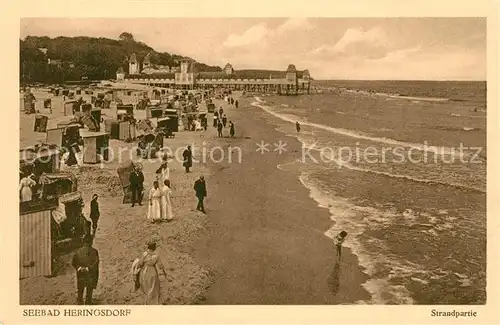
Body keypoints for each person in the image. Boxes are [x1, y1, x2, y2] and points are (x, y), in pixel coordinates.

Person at [71, 235, 99, 305]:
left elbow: (73, 262)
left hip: (80, 274)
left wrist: (79, 268)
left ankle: (80, 302)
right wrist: (88, 268)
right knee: (89, 291)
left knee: (80, 289)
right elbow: (96, 263)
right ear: (91, 242)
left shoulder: (78, 251)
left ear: (83, 242)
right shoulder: (94, 251)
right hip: (90, 274)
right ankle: (88, 302)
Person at [138, 240, 167, 305]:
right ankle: (153, 303)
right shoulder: (156, 255)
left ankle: (146, 303)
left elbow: (140, 263)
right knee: (153, 288)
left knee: (145, 288)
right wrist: (164, 272)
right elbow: (160, 266)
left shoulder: (144, 254)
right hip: (153, 272)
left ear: (148, 247)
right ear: (154, 247)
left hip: (145, 272)